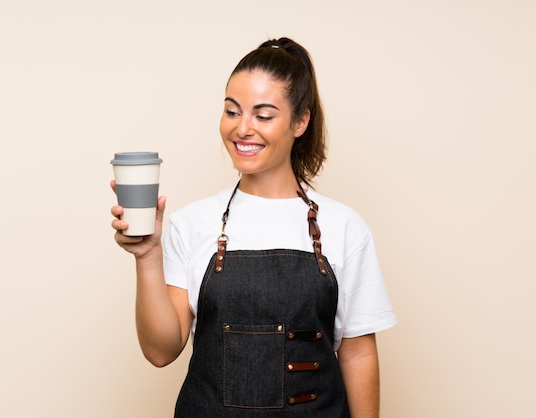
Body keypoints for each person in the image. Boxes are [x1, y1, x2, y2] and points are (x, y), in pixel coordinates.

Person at [111, 37, 397, 418]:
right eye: (232, 112)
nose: (243, 129)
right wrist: (147, 255)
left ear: (300, 121)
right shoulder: (191, 224)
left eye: (263, 116)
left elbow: (358, 353)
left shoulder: (344, 227)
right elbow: (161, 352)